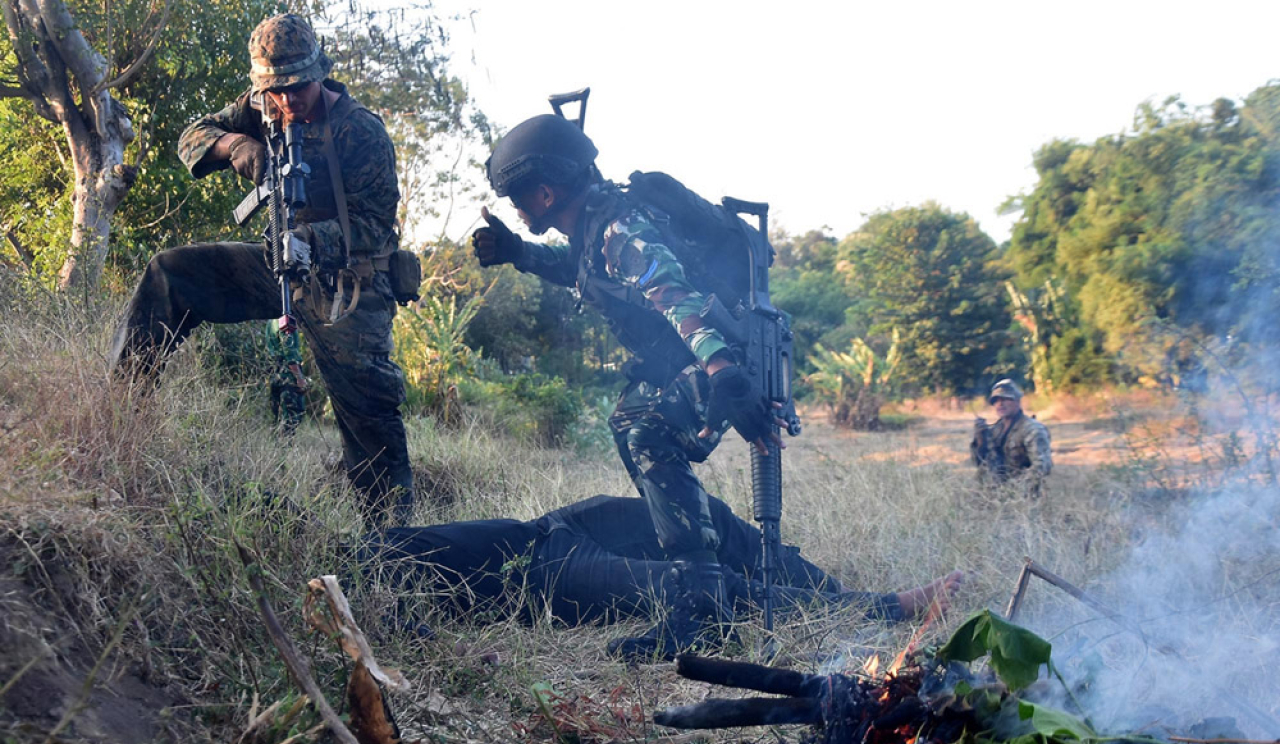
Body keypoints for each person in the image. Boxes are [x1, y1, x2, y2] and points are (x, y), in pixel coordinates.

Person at [471, 115, 783, 660]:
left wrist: (724, 373)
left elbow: (673, 295)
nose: (517, 208)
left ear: (545, 191)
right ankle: (700, 574)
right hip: (692, 358)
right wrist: (516, 251)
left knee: (648, 436)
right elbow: (578, 271)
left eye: (518, 197)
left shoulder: (619, 229)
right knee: (629, 426)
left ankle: (705, 610)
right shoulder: (590, 228)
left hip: (727, 356)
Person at [109, 14, 413, 526]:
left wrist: (312, 239)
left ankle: (393, 549)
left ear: (319, 73)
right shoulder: (260, 108)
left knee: (370, 418)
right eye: (275, 91)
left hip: (348, 286)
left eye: (298, 88)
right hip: (279, 265)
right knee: (171, 274)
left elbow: (374, 225)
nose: (288, 102)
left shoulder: (361, 132)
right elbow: (193, 134)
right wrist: (235, 146)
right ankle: (115, 420)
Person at [369, 494, 965, 660]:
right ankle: (887, 607)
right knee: (701, 587)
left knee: (713, 521)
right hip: (548, 571)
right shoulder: (370, 587)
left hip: (549, 533)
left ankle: (825, 591)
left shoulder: (373, 556)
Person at [971, 379, 1053, 493]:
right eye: (996, 400)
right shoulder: (995, 430)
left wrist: (1014, 489)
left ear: (1017, 401)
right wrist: (980, 441)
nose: (1000, 404)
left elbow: (1042, 467)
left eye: (1005, 399)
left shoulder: (1033, 430)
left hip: (1024, 496)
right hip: (995, 494)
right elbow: (981, 464)